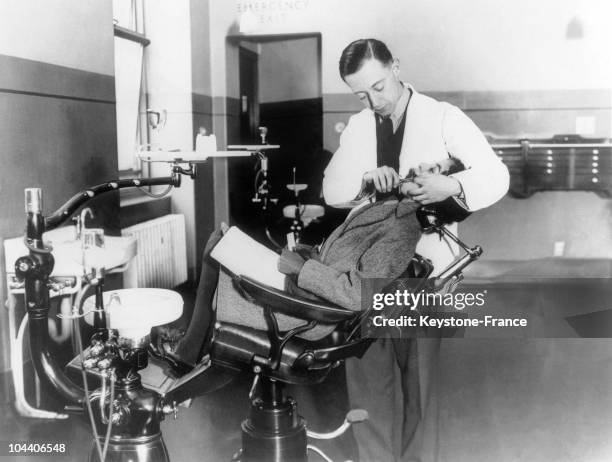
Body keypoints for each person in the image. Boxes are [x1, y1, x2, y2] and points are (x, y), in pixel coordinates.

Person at [316, 38, 509, 461]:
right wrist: (367, 179)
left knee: (420, 387)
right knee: (368, 384)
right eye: (361, 93)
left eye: (379, 86)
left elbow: (497, 176)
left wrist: (451, 185)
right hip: (369, 269)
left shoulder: (443, 117)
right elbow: (331, 190)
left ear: (396, 67)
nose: (374, 100)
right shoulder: (359, 126)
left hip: (423, 268)